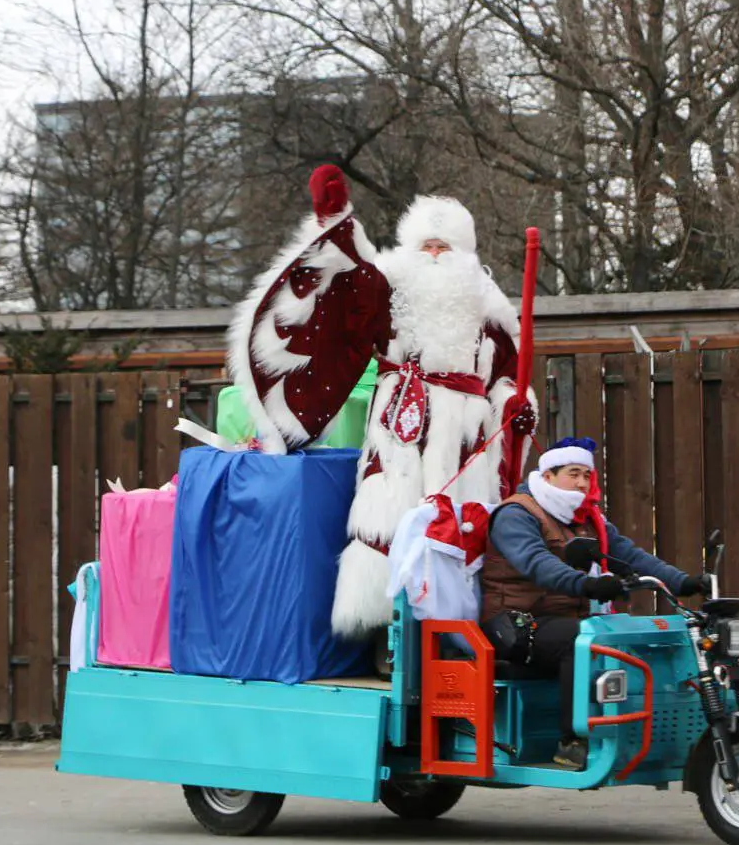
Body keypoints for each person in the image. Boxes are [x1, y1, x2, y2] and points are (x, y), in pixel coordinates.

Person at [228, 165, 537, 645]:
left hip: (463, 436)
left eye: (445, 247)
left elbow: (506, 378)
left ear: (465, 253)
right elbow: (347, 286)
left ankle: (451, 632)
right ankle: (384, 634)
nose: (434, 256)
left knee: (457, 531)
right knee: (386, 517)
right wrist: (334, 219)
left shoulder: (488, 304)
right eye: (426, 246)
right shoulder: (388, 283)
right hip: (399, 425)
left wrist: (515, 407)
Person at [479, 436, 710, 770]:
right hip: (514, 623)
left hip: (563, 621)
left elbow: (630, 556)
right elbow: (535, 562)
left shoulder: (587, 519)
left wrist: (683, 581)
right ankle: (572, 742)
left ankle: (631, 727)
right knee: (584, 642)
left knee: (626, 638)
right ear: (547, 476)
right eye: (573, 473)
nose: (582, 482)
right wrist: (586, 583)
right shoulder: (516, 514)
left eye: (587, 476)